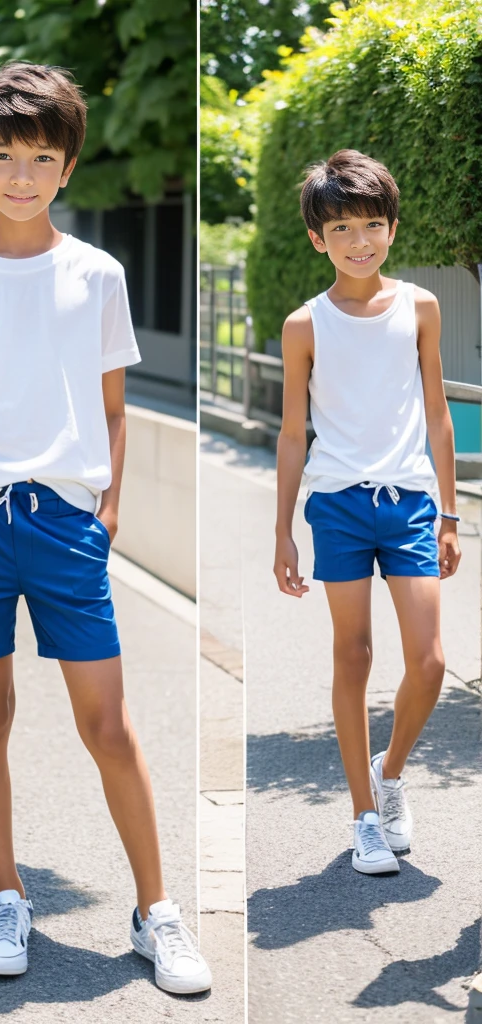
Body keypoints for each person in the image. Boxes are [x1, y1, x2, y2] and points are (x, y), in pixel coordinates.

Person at [0, 60, 210, 995]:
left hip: (63, 516)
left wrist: (108, 505)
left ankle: (157, 910)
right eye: (3, 157)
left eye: (40, 157)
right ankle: (6, 894)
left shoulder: (98, 274)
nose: (22, 176)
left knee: (107, 723)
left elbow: (114, 404)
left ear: (67, 166)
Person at [274, 149, 461, 875]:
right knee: (353, 655)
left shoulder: (420, 306)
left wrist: (448, 511)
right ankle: (362, 817)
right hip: (339, 506)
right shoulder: (304, 325)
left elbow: (439, 415)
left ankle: (390, 772)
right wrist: (282, 531)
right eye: (343, 227)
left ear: (392, 228)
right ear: (319, 238)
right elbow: (294, 434)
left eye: (373, 224)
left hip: (411, 501)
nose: (360, 240)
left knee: (430, 660)